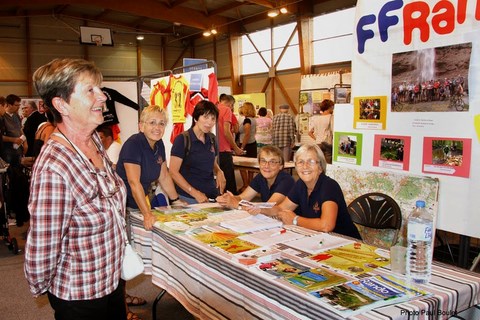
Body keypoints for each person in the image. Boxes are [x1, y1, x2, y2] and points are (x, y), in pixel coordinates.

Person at [24, 58, 127, 319]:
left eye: (99, 89)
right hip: (80, 296)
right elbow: (42, 247)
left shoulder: (92, 139)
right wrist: (45, 286)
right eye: (90, 90)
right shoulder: (55, 167)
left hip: (112, 281)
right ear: (61, 104)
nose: (103, 97)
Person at [258, 143, 361, 239]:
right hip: (319, 239)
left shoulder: (329, 186)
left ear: (320, 167)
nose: (305, 166)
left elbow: (326, 225)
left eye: (311, 161)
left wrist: (295, 220)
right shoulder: (300, 184)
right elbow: (281, 209)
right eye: (301, 162)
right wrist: (259, 209)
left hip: (345, 241)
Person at [116, 105, 185, 231]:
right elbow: (134, 182)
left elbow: (164, 176)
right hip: (124, 207)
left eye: (161, 123)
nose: (157, 128)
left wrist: (176, 201)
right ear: (141, 126)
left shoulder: (159, 144)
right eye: (152, 123)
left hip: (140, 205)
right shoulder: (133, 144)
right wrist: (147, 214)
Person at [169, 101, 225, 204]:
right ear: (196, 118)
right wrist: (195, 193)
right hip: (189, 198)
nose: (209, 122)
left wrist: (219, 171)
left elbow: (212, 162)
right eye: (205, 117)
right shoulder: (182, 139)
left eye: (213, 119)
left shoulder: (212, 139)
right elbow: (173, 172)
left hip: (211, 196)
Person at [216, 145, 294, 210]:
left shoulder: (287, 180)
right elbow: (243, 197)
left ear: (281, 166)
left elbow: (268, 206)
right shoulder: (260, 177)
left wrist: (238, 205)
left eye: (272, 162)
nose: (266, 166)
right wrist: (230, 198)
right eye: (263, 161)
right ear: (259, 164)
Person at [217, 94, 244, 194]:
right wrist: (236, 148)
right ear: (230, 103)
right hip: (224, 150)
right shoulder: (226, 110)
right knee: (229, 182)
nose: (232, 108)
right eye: (232, 105)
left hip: (214, 150)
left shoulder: (214, 108)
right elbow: (226, 131)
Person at [238, 102, 257, 192]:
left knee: (242, 166)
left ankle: (245, 185)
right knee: (251, 167)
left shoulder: (247, 121)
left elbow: (247, 134)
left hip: (246, 145)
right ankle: (250, 185)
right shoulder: (254, 120)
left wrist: (242, 147)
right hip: (253, 144)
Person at [308, 99, 334, 163]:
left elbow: (310, 133)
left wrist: (317, 138)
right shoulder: (331, 117)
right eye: (332, 107)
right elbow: (333, 131)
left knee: (320, 163)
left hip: (318, 143)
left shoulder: (316, 118)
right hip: (328, 143)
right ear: (329, 107)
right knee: (328, 164)